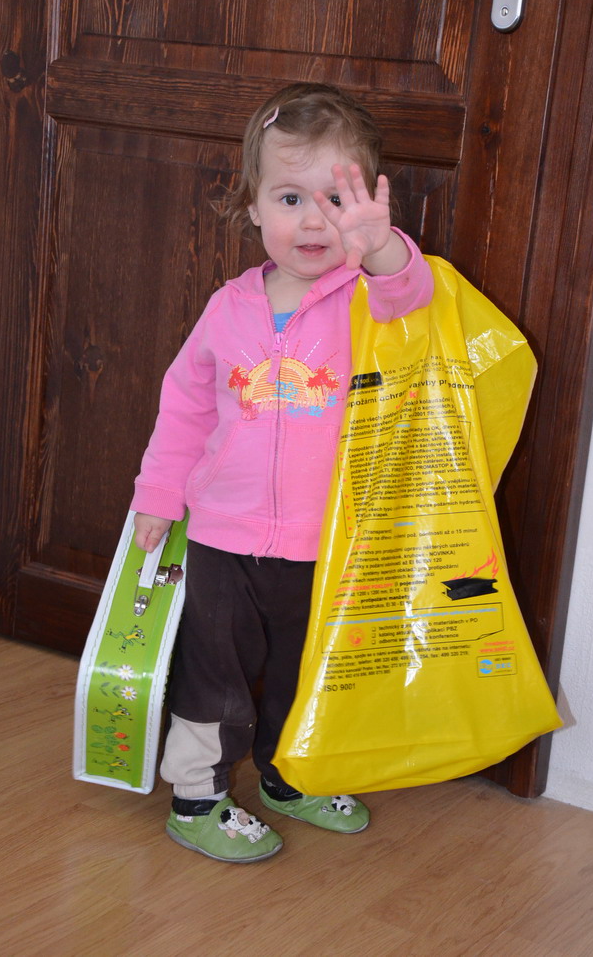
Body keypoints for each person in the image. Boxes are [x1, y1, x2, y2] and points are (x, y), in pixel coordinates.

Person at [131, 82, 434, 863]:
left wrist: (382, 246)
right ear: (252, 206)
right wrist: (157, 497)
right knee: (215, 673)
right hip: (222, 536)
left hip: (326, 540)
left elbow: (412, 294)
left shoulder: (367, 300)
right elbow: (184, 410)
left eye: (337, 199)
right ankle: (196, 796)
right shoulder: (225, 309)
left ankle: (288, 777)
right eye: (290, 197)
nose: (313, 220)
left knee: (307, 673)